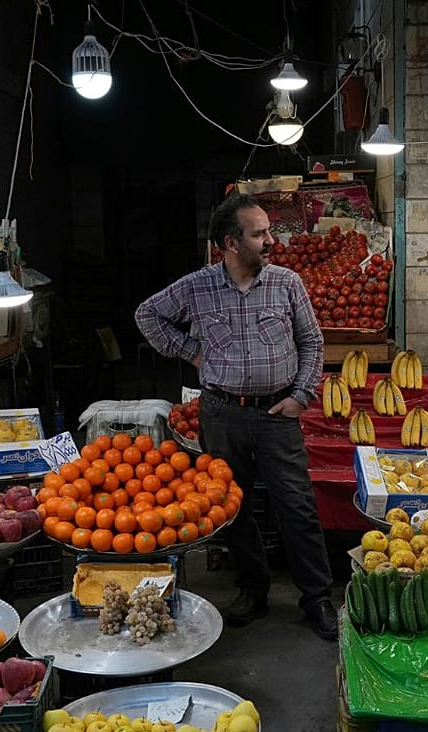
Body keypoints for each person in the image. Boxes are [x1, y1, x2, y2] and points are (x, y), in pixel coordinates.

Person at [135, 193, 337, 640]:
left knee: (298, 507)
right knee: (234, 507)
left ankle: (318, 598)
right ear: (230, 242)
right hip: (222, 413)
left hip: (278, 412)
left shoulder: (287, 283)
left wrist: (302, 395)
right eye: (259, 233)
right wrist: (191, 352)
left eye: (269, 230)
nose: (271, 241)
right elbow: (146, 315)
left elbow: (313, 343)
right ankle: (252, 589)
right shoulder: (197, 287)